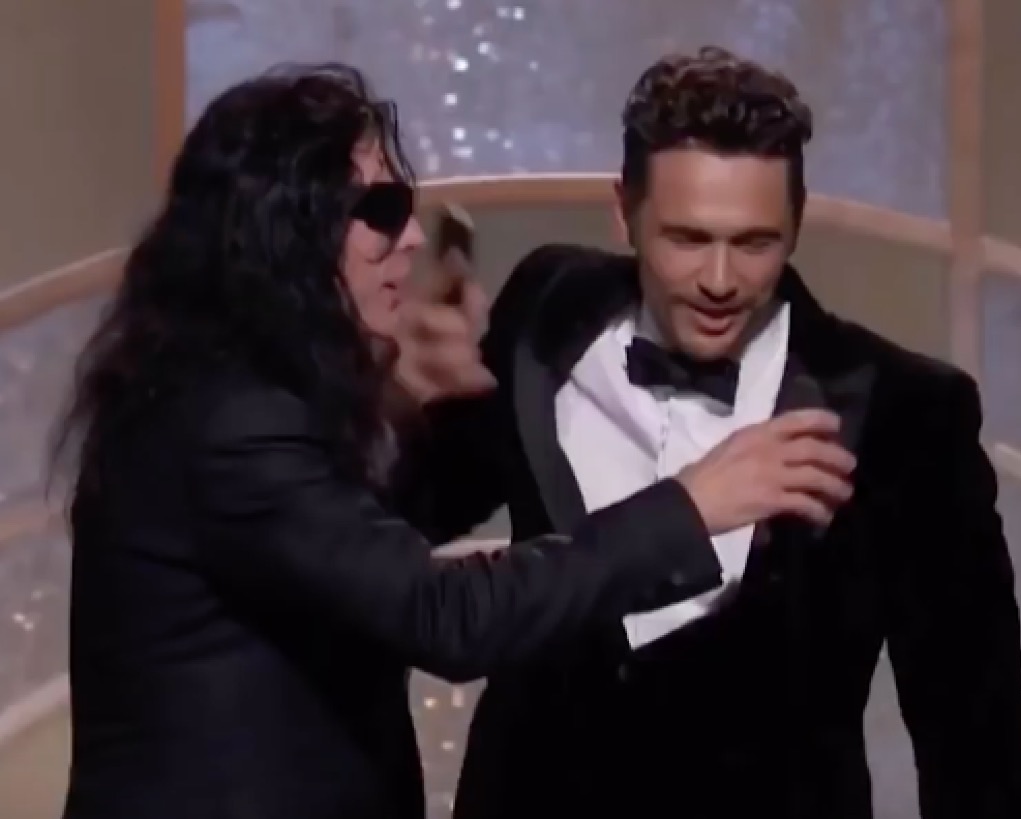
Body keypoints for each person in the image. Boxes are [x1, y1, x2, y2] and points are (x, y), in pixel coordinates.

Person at [52, 63, 854, 819]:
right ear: (285, 229)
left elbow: (346, 547)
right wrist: (691, 505)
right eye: (379, 211)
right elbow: (445, 615)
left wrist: (405, 403)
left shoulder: (239, 388)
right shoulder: (227, 419)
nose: (409, 239)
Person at [409, 48, 1021, 818]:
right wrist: (398, 396)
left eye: (754, 243)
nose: (719, 280)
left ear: (796, 225)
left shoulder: (907, 414)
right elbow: (414, 511)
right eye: (687, 238)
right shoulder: (547, 307)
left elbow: (973, 733)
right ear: (623, 211)